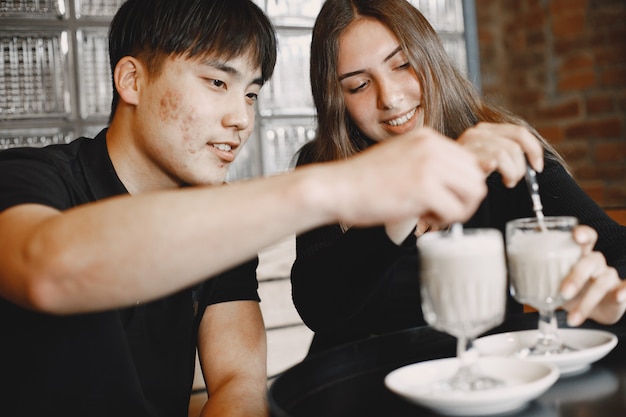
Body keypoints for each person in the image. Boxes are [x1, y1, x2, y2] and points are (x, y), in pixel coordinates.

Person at [0, 0, 493, 416]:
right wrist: (335, 186)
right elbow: (50, 269)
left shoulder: (216, 219)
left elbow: (239, 383)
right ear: (132, 80)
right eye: (218, 82)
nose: (241, 118)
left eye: (252, 94)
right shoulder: (29, 177)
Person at [290, 0, 626, 355]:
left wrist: (612, 288)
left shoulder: (497, 150)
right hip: (357, 385)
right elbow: (319, 308)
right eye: (358, 85)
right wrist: (411, 201)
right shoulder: (324, 165)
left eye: (403, 65)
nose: (390, 97)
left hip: (479, 382)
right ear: (336, 99)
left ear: (430, 57)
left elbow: (616, 247)